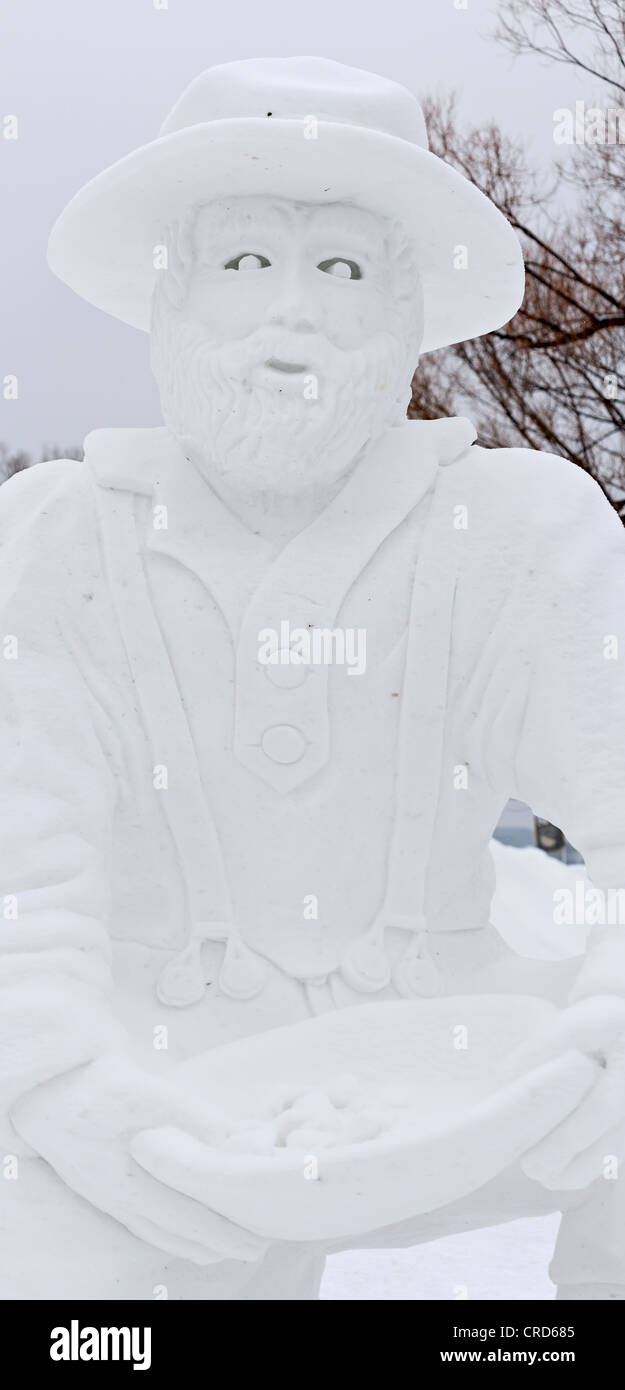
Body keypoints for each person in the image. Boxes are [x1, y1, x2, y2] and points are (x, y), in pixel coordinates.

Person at [2, 56, 625, 1301]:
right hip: (158, 1082)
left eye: (340, 269)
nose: (292, 311)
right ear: (168, 301)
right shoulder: (55, 545)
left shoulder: (516, 530)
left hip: (468, 1066)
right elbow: (27, 894)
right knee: (57, 1264)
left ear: (401, 316)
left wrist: (609, 1031)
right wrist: (62, 1085)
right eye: (245, 263)